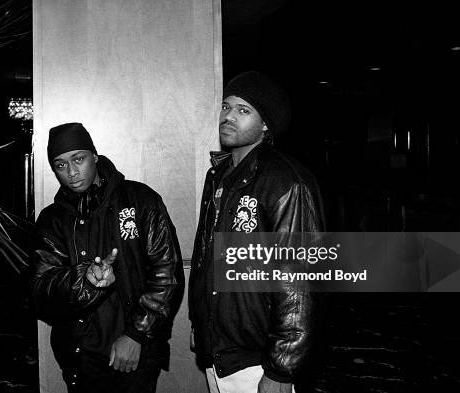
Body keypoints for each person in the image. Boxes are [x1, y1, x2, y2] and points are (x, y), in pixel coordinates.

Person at [189, 71, 325, 393]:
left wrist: (282, 367)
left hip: (258, 359)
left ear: (266, 124)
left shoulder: (286, 181)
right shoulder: (219, 176)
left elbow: (301, 280)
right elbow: (207, 258)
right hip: (220, 350)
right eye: (226, 106)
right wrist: (203, 324)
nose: (229, 117)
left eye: (243, 110)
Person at [31, 123, 184, 393]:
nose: (72, 171)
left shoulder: (140, 200)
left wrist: (137, 334)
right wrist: (84, 280)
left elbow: (167, 273)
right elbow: (42, 289)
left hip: (135, 352)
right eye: (60, 165)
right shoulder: (51, 219)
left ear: (95, 157)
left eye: (78, 159)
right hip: (80, 355)